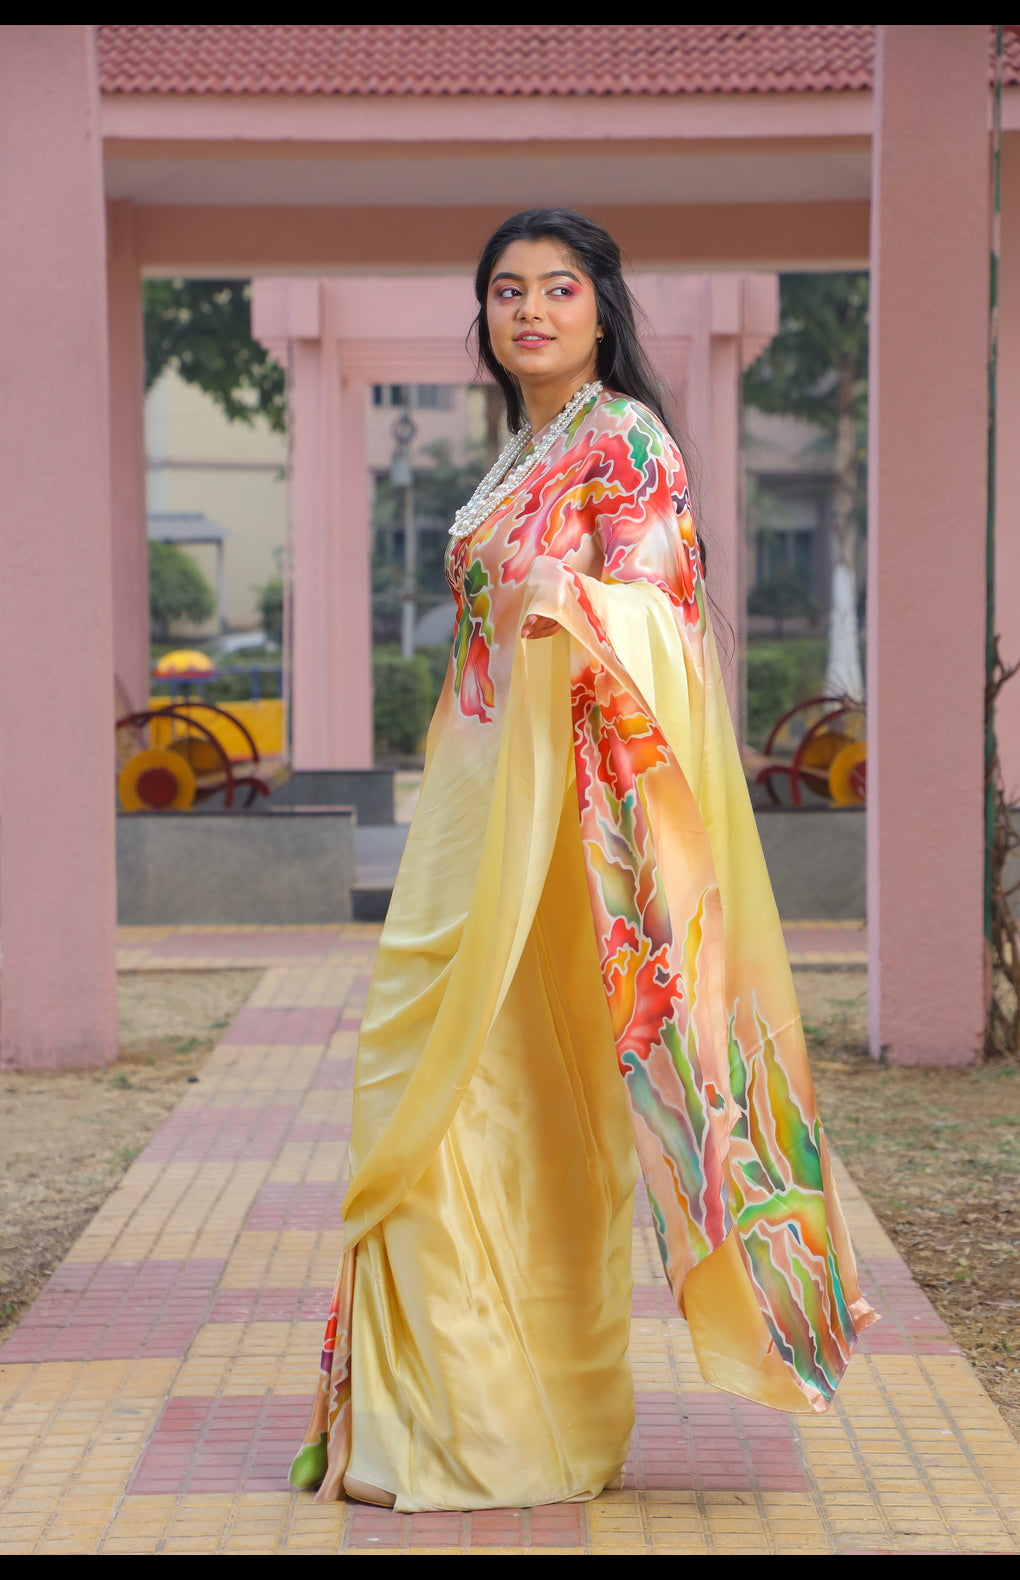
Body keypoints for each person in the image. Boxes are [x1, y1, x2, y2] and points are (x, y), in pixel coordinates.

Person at [289, 209, 877, 1513]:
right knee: (419, 1094)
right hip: (474, 813)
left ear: (602, 311)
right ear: (486, 319)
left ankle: (512, 1430)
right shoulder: (525, 454)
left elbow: (662, 615)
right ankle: (421, 1420)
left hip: (565, 836)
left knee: (517, 1114)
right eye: (508, 291)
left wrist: (572, 609)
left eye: (560, 288)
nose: (533, 309)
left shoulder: (624, 438)